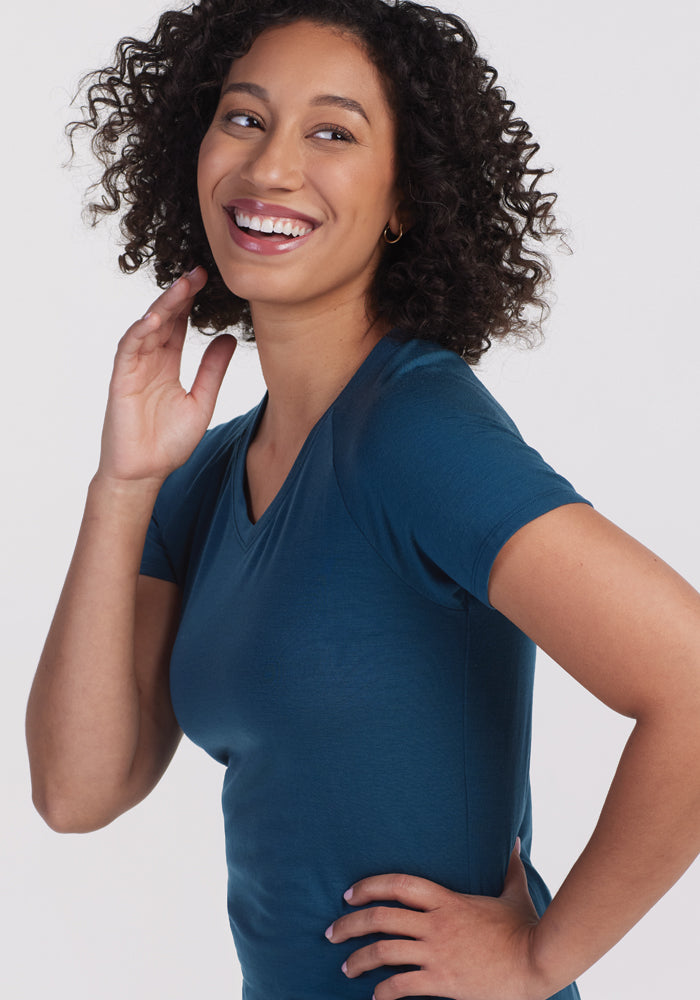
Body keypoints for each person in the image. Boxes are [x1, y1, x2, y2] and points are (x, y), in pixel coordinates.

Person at [25, 1, 700, 998]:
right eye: (244, 119)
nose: (270, 169)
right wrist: (122, 484)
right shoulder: (205, 475)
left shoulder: (413, 433)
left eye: (332, 132)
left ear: (404, 198)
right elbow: (80, 790)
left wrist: (537, 956)